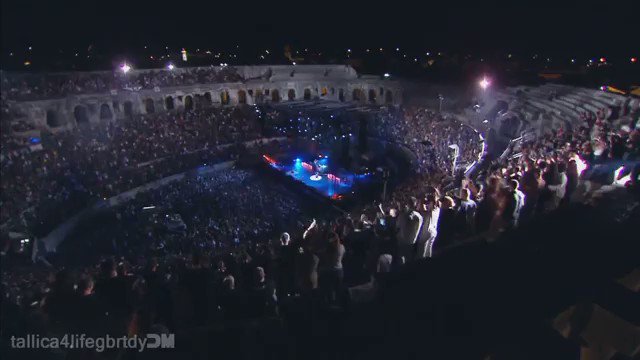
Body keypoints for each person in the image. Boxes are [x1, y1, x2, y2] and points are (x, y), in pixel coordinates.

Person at [416, 194, 440, 259]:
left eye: (428, 202)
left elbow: (424, 213)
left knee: (421, 253)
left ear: (432, 202)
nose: (427, 204)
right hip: (433, 232)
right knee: (428, 252)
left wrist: (421, 202)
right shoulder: (437, 209)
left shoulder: (430, 212)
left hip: (426, 233)